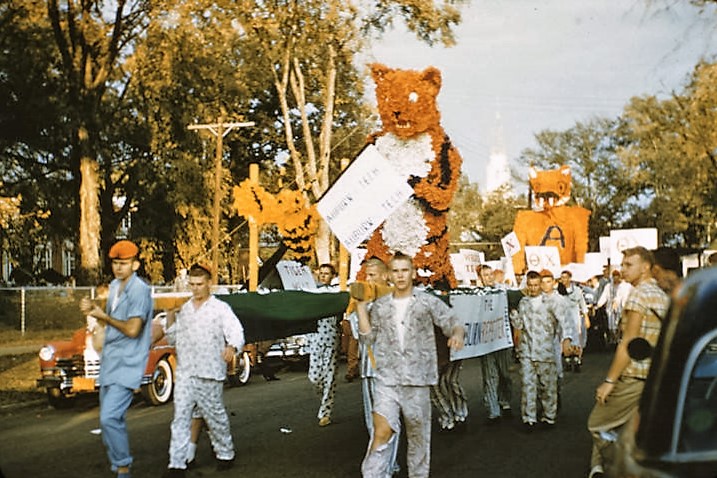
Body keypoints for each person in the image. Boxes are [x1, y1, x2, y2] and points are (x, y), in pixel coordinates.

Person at [357, 253, 465, 478]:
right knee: (381, 432)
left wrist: (456, 334)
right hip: (388, 380)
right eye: (395, 271)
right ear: (389, 275)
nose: (400, 275)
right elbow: (368, 338)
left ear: (413, 273)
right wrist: (360, 308)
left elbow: (452, 321)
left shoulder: (426, 301)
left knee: (418, 437)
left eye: (404, 270)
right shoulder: (381, 306)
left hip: (417, 380)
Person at [586, 247, 670, 478]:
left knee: (598, 425)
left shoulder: (639, 295)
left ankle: (628, 470)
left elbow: (629, 343)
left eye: (628, 265)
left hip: (635, 375)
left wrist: (609, 380)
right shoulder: (660, 295)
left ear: (645, 267)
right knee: (630, 431)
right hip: (653, 376)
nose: (622, 269)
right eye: (622, 265)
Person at [162, 263, 245, 477]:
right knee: (180, 417)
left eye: (200, 284)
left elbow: (236, 331)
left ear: (209, 283)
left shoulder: (220, 309)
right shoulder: (185, 309)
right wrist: (170, 315)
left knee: (214, 415)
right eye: (192, 284)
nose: (196, 288)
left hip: (210, 372)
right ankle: (177, 462)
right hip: (186, 372)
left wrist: (232, 346)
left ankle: (225, 453)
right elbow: (173, 337)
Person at [79, 240, 154, 478]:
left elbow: (133, 329)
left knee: (108, 417)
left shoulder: (139, 290)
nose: (118, 268)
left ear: (135, 264)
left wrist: (103, 316)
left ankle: (123, 467)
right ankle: (118, 466)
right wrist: (93, 310)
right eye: (115, 263)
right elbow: (111, 322)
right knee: (112, 420)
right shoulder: (114, 285)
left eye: (124, 264)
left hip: (129, 363)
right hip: (110, 361)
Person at [347, 257, 400, 475]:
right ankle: (386, 464)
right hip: (369, 369)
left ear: (386, 275)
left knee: (390, 421)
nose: (368, 279)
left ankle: (383, 469)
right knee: (372, 422)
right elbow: (358, 331)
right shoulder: (360, 300)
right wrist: (361, 307)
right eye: (366, 275)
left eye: (373, 275)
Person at [511, 270, 580, 432]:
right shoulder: (523, 303)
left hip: (545, 349)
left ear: (540, 284)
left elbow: (564, 322)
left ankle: (549, 416)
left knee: (547, 386)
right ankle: (529, 418)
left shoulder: (551, 302)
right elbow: (520, 325)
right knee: (528, 385)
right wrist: (514, 317)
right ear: (526, 285)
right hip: (527, 350)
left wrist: (567, 340)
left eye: (536, 285)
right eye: (530, 285)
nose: (533, 288)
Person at [477, 264, 514, 424]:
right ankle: (493, 410)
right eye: (485, 275)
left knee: (505, 374)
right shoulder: (476, 295)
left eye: (490, 274)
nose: (489, 277)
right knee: (490, 375)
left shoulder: (503, 291)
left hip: (502, 339)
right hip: (486, 341)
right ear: (480, 278)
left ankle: (504, 401)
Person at [309, 263, 341, 426]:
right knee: (314, 377)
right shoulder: (312, 293)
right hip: (315, 338)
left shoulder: (336, 293)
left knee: (329, 376)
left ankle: (325, 412)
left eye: (326, 274)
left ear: (332, 276)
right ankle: (322, 396)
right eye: (321, 273)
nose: (323, 276)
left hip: (331, 338)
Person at [558, 270, 590, 372]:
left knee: (576, 339)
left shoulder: (577, 291)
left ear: (570, 278)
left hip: (575, 318)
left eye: (565, 277)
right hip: (563, 318)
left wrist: (586, 318)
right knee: (565, 338)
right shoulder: (558, 291)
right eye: (562, 277)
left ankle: (577, 360)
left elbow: (583, 305)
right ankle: (567, 361)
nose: (564, 280)